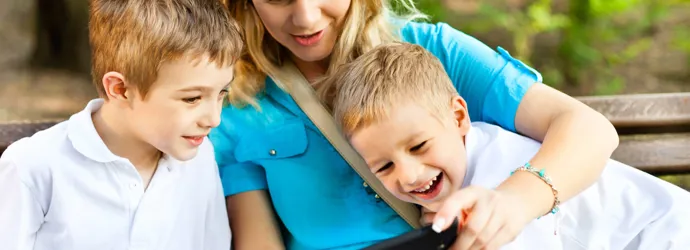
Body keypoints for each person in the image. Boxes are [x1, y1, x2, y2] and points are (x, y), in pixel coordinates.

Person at [211, 0, 619, 249]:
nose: (305, 16)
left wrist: (514, 203)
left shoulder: (432, 48)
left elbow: (587, 128)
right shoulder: (239, 107)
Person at [322, 42, 690, 250]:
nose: (408, 175)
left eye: (418, 146)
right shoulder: (458, 176)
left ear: (458, 117)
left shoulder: (502, 163)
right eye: (384, 167)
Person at [0, 0, 242, 249]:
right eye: (192, 98)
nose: (214, 118)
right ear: (120, 89)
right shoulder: (32, 168)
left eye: (222, 92)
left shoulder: (201, 158)